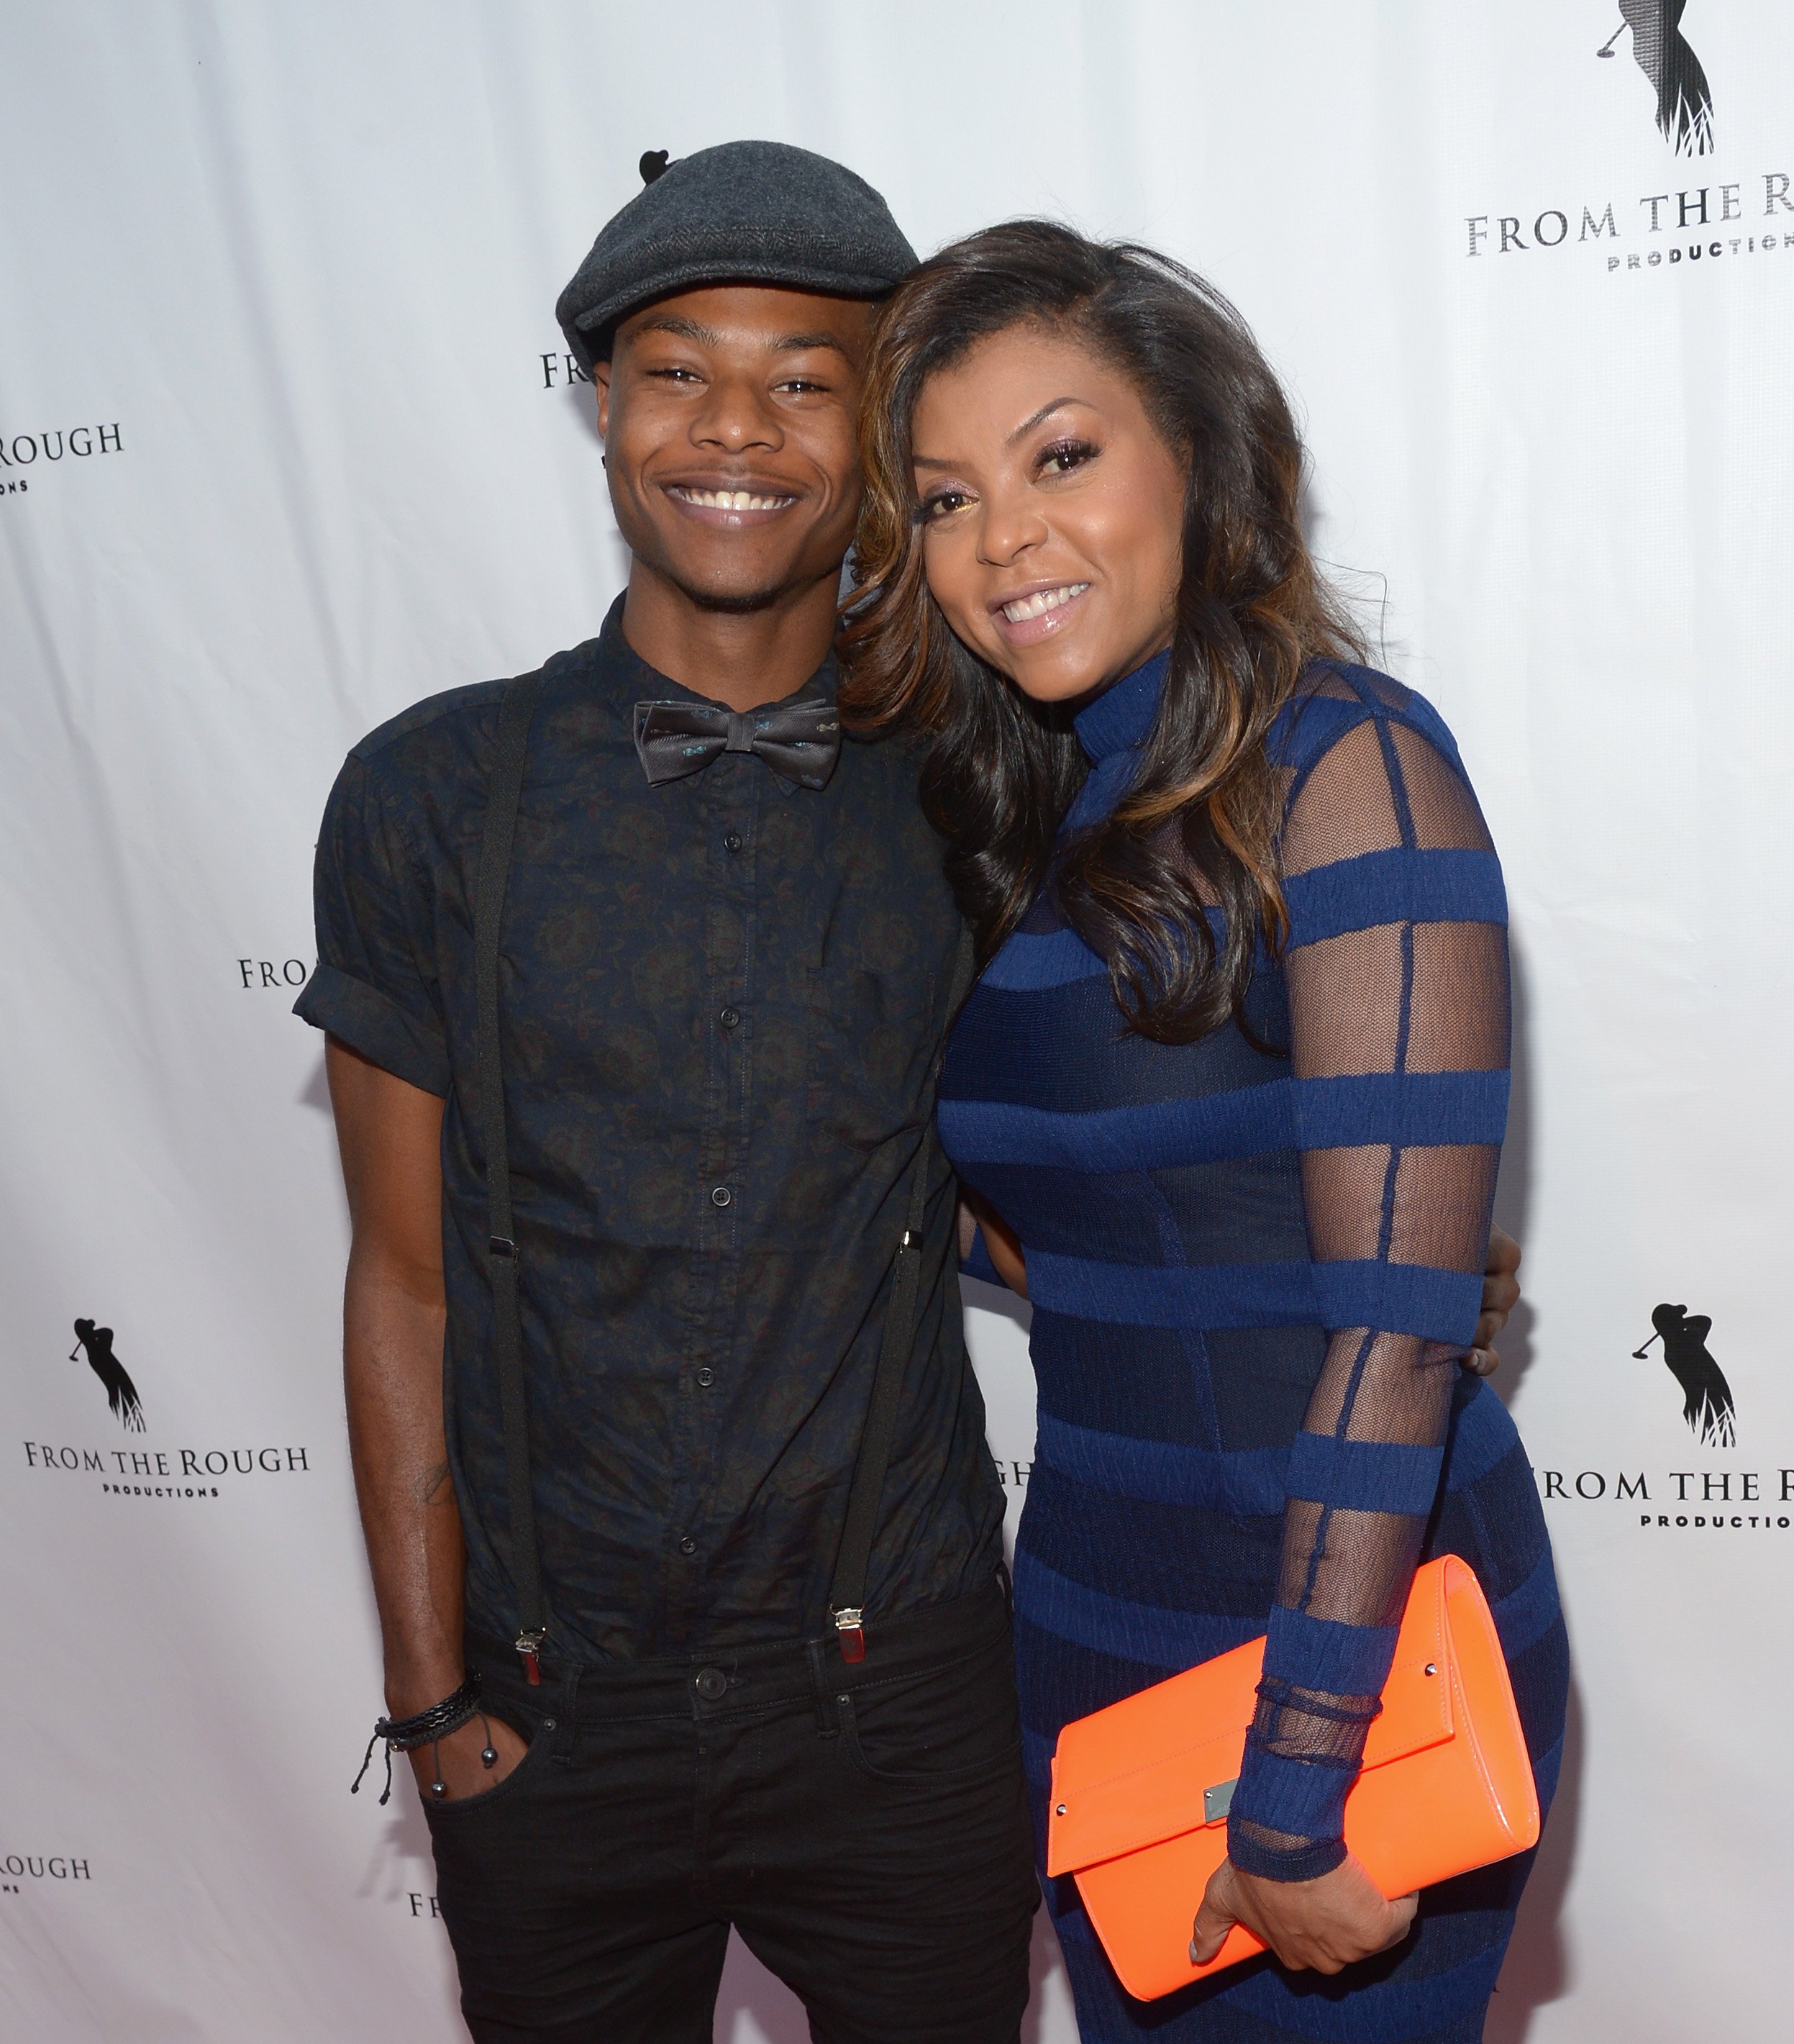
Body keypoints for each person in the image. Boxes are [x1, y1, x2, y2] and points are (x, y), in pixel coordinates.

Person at [298, 143, 1525, 2043]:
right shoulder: (969, 800)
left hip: (1128, 1690)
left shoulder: (1169, 778)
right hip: (960, 1668)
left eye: (809, 383)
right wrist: (434, 1700)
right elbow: (448, 1260)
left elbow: (1323, 1261)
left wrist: (1396, 1301)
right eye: (949, 493)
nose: (736, 428)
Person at [839, 220, 1567, 2043]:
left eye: (1060, 455)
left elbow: (1394, 1339)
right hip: (1092, 1630)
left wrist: (1296, 1778)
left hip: (1356, 1655)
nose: (1000, 535)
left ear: (1202, 460)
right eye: (940, 498)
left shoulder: (1347, 768)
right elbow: (1046, 1214)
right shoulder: (1004, 819)